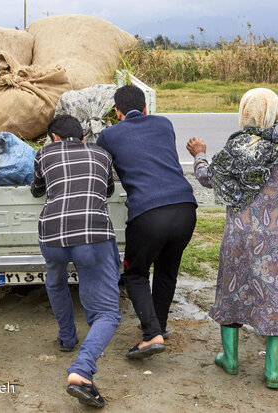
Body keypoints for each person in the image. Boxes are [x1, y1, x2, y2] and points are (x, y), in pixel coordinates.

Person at [186, 88, 278, 389]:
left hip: (241, 235)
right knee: (277, 298)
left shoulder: (235, 151)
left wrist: (199, 154)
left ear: (244, 113)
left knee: (233, 291)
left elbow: (207, 177)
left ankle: (230, 360)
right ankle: (274, 373)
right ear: (275, 114)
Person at [96, 85, 197, 359]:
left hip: (148, 213)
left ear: (117, 113)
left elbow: (102, 168)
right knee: (167, 270)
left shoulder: (108, 135)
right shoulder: (165, 124)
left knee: (136, 274)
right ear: (145, 108)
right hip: (185, 208)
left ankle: (151, 334)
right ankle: (159, 328)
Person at [31, 114, 121, 408]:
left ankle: (67, 339)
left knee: (56, 281)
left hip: (52, 236)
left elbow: (37, 190)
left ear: (54, 137)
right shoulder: (101, 153)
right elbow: (107, 190)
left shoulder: (43, 154)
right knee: (106, 312)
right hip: (92, 235)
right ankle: (82, 370)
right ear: (83, 137)